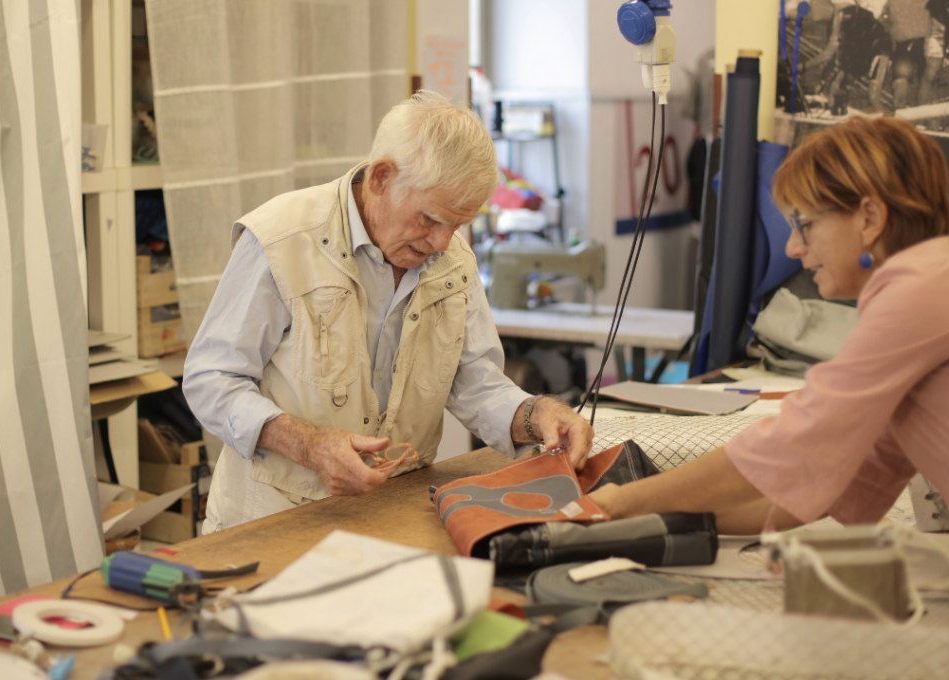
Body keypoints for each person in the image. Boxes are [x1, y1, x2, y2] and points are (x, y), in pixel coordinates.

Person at [184, 91, 594, 533]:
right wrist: (307, 444)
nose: (441, 242)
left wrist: (536, 416)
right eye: (430, 219)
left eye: (457, 224)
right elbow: (212, 379)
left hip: (395, 512)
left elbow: (475, 382)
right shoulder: (283, 240)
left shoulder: (452, 259)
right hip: (272, 520)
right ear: (381, 177)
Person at [591, 116, 949, 535]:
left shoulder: (920, 288)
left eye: (805, 225)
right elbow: (834, 493)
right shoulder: (926, 286)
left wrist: (625, 500)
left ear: (869, 217)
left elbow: (794, 442)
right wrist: (644, 517)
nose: (793, 248)